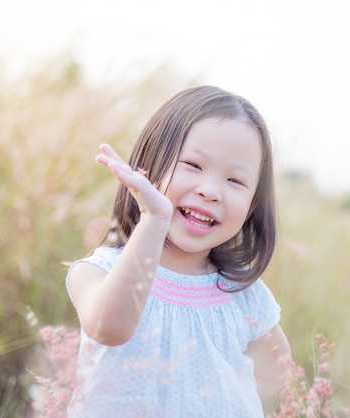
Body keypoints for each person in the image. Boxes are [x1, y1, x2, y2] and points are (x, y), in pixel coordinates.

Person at [66, 85, 292, 417]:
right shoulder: (99, 271)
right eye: (193, 165)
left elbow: (277, 374)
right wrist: (154, 220)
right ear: (149, 167)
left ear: (252, 204)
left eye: (235, 181)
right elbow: (109, 328)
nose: (211, 191)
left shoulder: (242, 293)